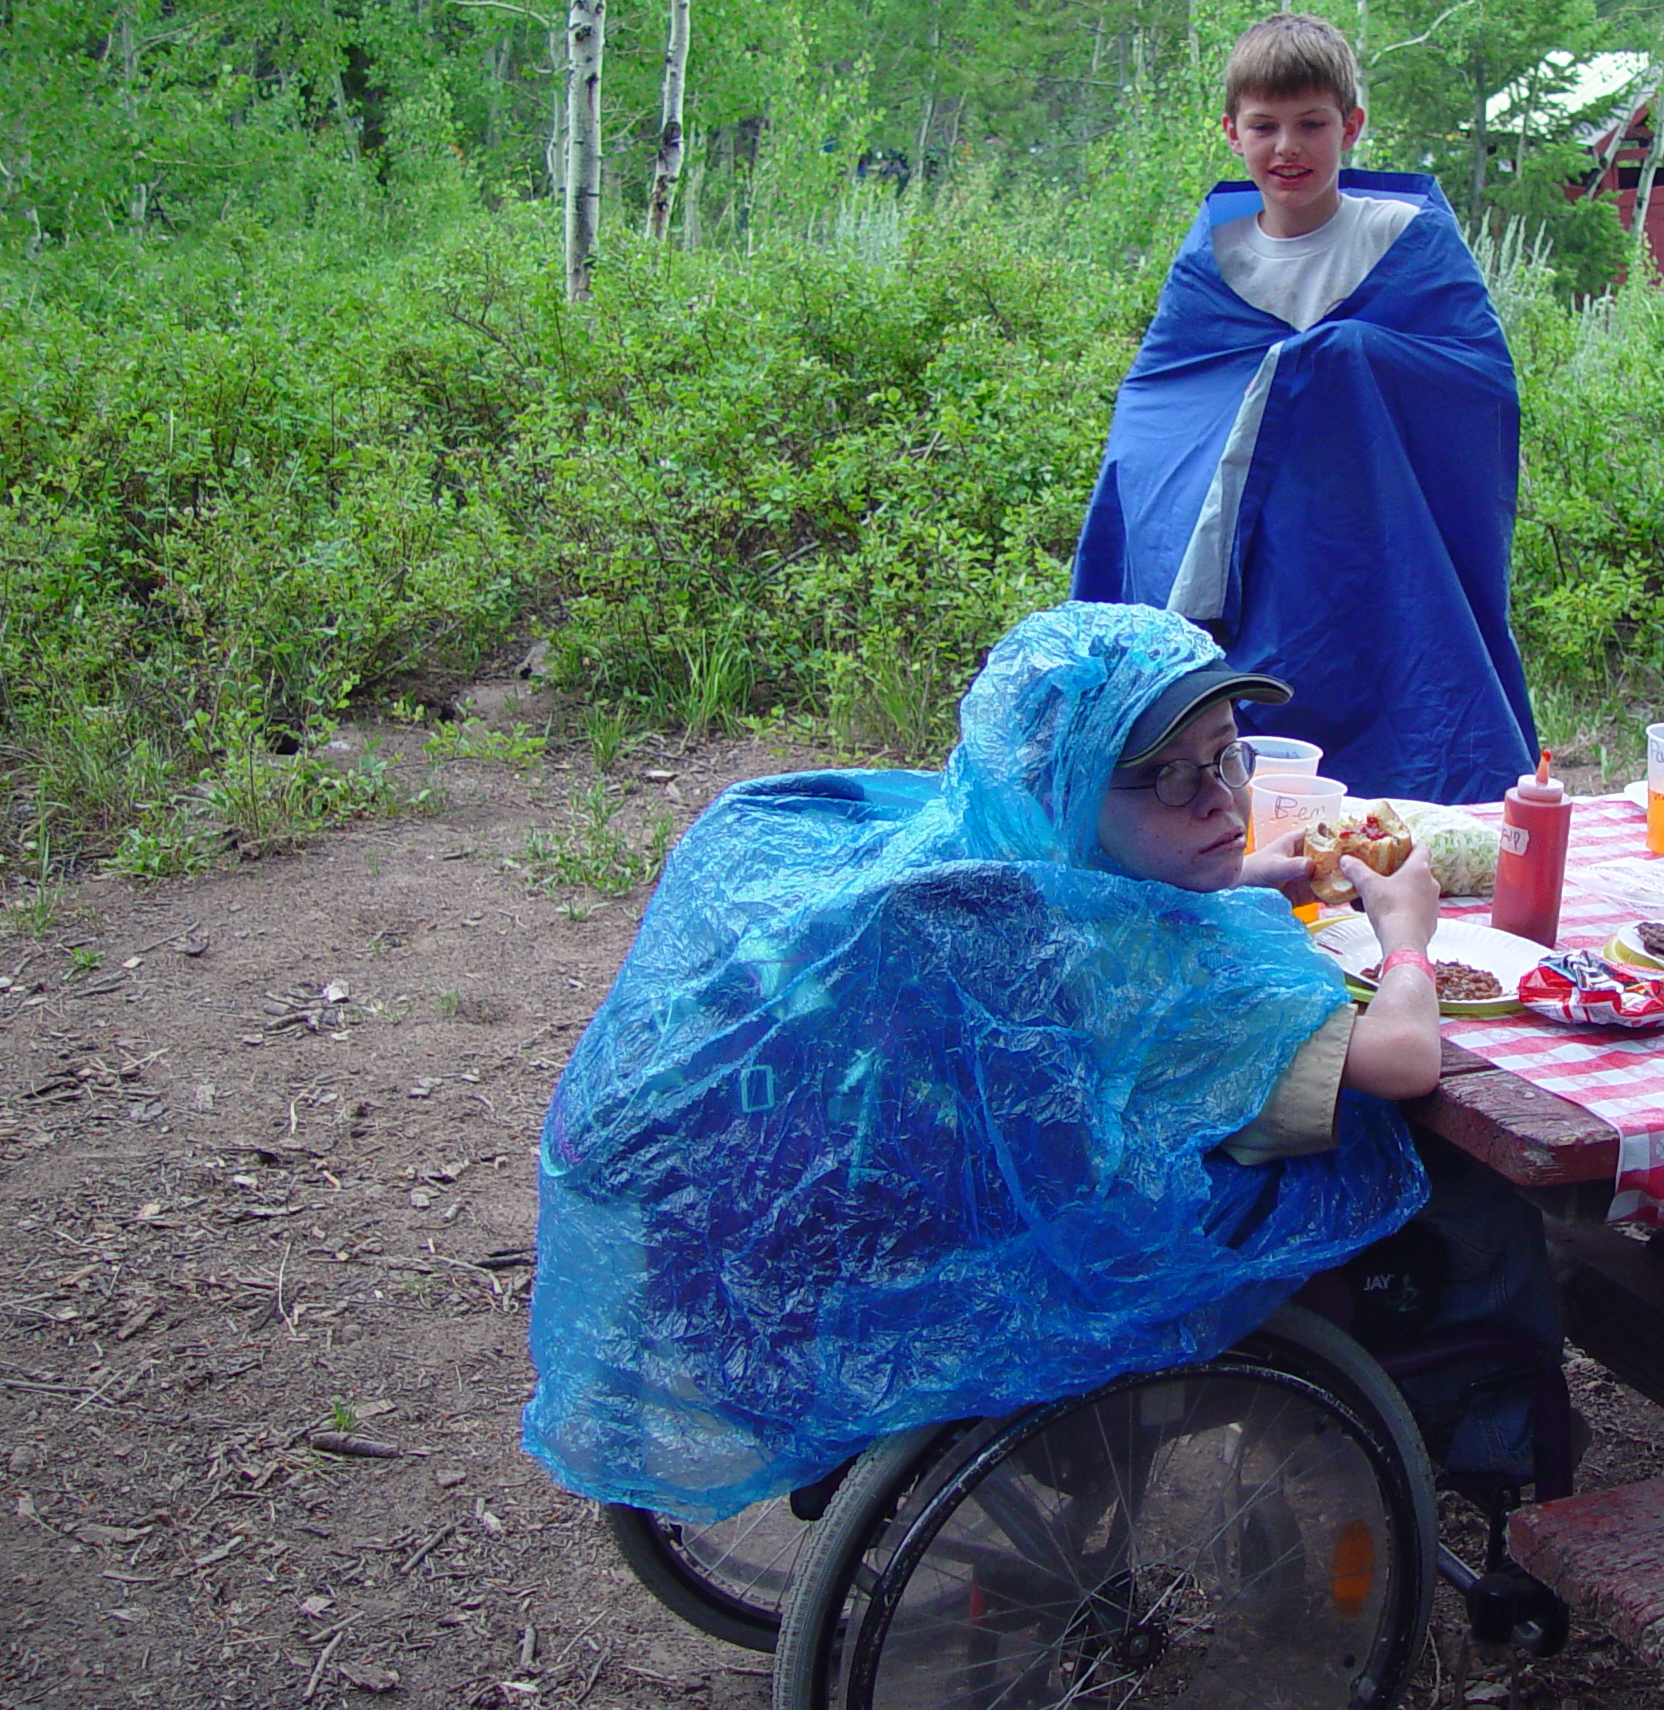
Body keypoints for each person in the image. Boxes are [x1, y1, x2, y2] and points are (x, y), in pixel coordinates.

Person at [522, 602, 1548, 1524]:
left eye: (1226, 756)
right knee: (1477, 1194)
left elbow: (1114, 892)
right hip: (1125, 1243)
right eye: (1165, 777)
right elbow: (1407, 1058)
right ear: (1064, 794)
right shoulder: (1173, 996)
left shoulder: (986, 875)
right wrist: (1405, 931)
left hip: (940, 1219)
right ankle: (1474, 1453)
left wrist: (1246, 875)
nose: (1219, 802)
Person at [1070, 12, 1538, 807]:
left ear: (1350, 127)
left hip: (1371, 535)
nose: (1288, 147)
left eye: (1312, 124)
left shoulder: (1405, 241)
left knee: (1381, 680)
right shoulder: (1215, 258)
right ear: (1232, 133)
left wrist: (1341, 359)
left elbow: (1474, 386)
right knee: (1247, 695)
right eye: (1265, 126)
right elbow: (1159, 410)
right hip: (1245, 544)